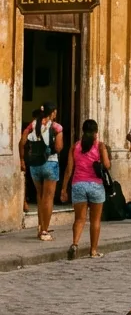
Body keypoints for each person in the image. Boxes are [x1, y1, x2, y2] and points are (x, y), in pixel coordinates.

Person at [61, 119, 110, 259]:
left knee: (79, 219)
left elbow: (69, 169)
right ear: (96, 132)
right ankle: (93, 251)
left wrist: (63, 189)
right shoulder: (100, 146)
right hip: (95, 186)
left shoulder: (75, 147)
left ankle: (75, 243)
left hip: (78, 185)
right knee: (95, 220)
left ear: (82, 131)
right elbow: (107, 165)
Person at [19, 102, 63, 241]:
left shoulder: (32, 125)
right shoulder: (56, 127)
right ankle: (44, 231)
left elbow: (22, 142)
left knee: (40, 196)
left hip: (35, 165)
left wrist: (22, 159)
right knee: (48, 198)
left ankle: (40, 226)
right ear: (53, 112)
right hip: (50, 163)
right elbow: (59, 147)